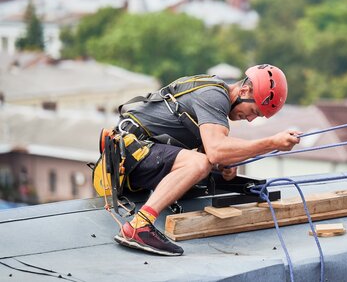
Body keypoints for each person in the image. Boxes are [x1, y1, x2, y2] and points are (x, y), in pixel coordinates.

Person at [113, 64, 301, 256]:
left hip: (139, 155)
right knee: (199, 163)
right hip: (131, 153)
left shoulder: (215, 97)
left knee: (204, 163)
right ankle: (139, 225)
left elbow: (216, 153)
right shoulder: (214, 95)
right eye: (254, 110)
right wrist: (271, 143)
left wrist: (224, 164)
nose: (251, 119)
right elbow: (215, 151)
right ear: (244, 90)